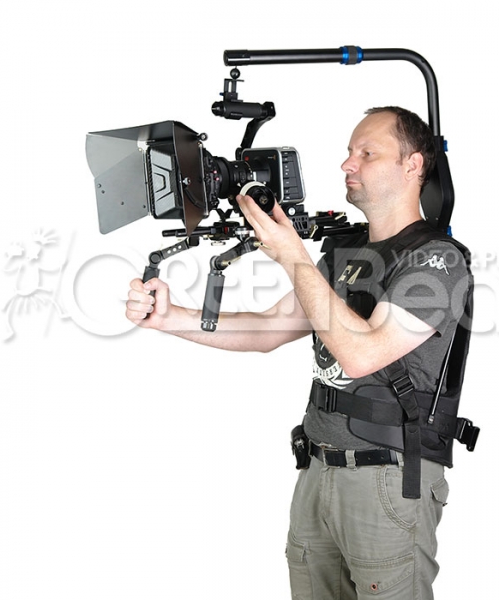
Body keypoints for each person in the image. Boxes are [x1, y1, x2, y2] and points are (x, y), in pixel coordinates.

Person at [126, 106, 472, 599]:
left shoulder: (437, 261)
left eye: (367, 153)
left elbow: (362, 354)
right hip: (317, 470)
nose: (347, 163)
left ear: (413, 165)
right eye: (349, 152)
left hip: (388, 481)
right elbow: (269, 329)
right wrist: (170, 317)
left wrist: (292, 256)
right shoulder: (344, 254)